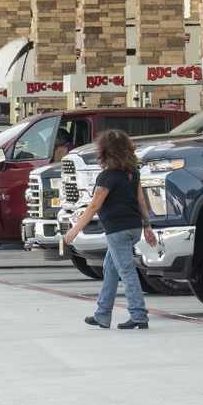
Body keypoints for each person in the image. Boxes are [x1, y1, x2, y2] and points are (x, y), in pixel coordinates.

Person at [62, 129, 155, 330]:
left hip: (117, 230)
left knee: (127, 271)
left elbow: (94, 206)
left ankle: (139, 315)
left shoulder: (107, 177)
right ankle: (102, 314)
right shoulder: (133, 173)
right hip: (133, 228)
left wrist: (75, 230)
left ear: (105, 152)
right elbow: (141, 200)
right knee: (110, 269)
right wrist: (147, 226)